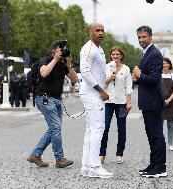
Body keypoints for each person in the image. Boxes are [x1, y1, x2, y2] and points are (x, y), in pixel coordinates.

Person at [27, 40, 78, 168]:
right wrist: (55, 59)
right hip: (45, 98)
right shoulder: (46, 59)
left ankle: (35, 155)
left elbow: (74, 80)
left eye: (64, 48)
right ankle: (60, 159)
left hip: (56, 100)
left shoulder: (63, 63)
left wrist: (69, 63)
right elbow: (43, 73)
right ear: (55, 49)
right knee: (56, 128)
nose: (63, 50)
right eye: (61, 48)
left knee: (53, 129)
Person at [79, 23, 113, 178]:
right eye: (97, 30)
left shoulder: (99, 49)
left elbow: (98, 73)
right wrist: (101, 90)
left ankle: (86, 166)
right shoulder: (88, 49)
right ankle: (94, 166)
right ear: (90, 32)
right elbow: (84, 72)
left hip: (94, 93)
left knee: (91, 129)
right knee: (98, 129)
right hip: (92, 94)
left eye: (102, 31)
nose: (100, 33)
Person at [132, 25, 167, 178]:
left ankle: (160, 167)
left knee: (156, 135)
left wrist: (139, 75)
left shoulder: (154, 54)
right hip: (148, 101)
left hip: (153, 101)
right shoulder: (147, 53)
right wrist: (138, 79)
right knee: (151, 135)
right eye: (139, 37)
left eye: (144, 37)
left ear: (150, 37)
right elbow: (147, 78)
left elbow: (154, 79)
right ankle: (153, 165)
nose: (141, 40)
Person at [99, 46, 133, 164]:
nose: (115, 56)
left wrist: (129, 102)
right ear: (110, 56)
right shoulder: (106, 67)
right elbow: (102, 83)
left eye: (117, 54)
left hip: (121, 102)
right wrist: (110, 78)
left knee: (121, 128)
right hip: (108, 102)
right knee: (104, 128)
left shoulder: (126, 69)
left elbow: (129, 86)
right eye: (113, 54)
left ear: (121, 56)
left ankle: (119, 154)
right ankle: (101, 153)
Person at [161, 57, 173, 151]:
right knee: (159, 124)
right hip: (159, 102)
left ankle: (170, 143)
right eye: (163, 63)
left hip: (170, 102)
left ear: (170, 64)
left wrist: (169, 100)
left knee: (170, 125)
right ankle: (160, 143)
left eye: (167, 63)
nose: (165, 65)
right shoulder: (158, 75)